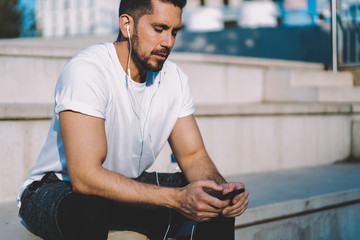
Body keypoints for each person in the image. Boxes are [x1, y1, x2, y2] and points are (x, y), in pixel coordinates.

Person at [17, 0, 249, 239]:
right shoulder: (87, 70)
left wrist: (223, 189)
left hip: (126, 182)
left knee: (212, 198)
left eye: (174, 32)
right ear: (127, 25)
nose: (168, 42)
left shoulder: (174, 79)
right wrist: (176, 199)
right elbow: (85, 177)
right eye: (159, 29)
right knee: (90, 211)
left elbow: (193, 156)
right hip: (58, 187)